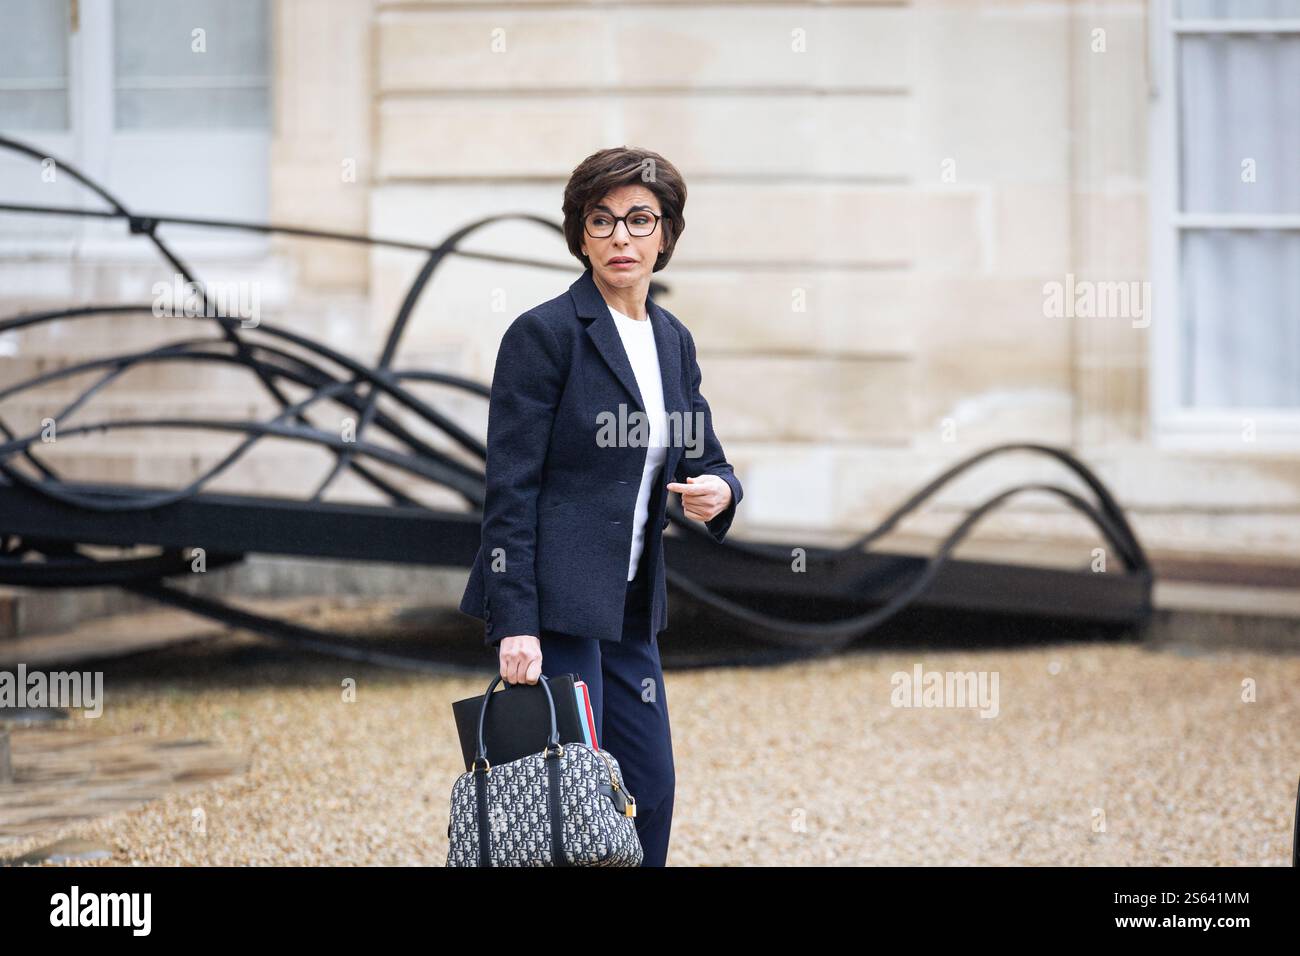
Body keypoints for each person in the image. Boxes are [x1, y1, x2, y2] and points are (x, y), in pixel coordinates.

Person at [458, 145, 743, 866]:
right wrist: (514, 622)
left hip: (632, 611)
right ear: (580, 236)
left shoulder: (673, 341)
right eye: (602, 220)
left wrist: (722, 491)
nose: (622, 237)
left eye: (640, 219)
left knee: (651, 784)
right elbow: (510, 490)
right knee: (570, 804)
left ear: (666, 235)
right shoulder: (546, 334)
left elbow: (703, 455)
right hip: (557, 613)